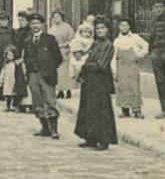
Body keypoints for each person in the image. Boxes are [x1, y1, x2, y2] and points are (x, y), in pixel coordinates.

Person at [74, 16, 118, 150]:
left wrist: (84, 66)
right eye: (97, 28)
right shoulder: (96, 43)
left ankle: (104, 140)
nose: (99, 31)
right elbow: (89, 59)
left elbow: (101, 65)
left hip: (101, 81)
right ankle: (90, 137)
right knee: (88, 109)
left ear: (108, 30)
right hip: (90, 80)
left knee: (101, 110)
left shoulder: (108, 45)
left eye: (102, 28)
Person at [22, 12, 63, 139]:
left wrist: (49, 69)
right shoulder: (27, 41)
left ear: (43, 25)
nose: (35, 26)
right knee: (37, 102)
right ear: (29, 25)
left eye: (37, 23)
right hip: (33, 75)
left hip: (47, 75)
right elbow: (26, 57)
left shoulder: (50, 39)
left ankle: (54, 130)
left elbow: (58, 58)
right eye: (33, 23)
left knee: (50, 101)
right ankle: (44, 128)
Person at [112, 17, 149, 118]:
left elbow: (146, 46)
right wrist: (114, 71)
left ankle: (137, 110)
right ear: (119, 27)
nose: (124, 27)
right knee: (122, 88)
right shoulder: (116, 41)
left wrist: (139, 55)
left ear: (129, 26)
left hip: (132, 66)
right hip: (121, 66)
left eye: (126, 25)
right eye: (122, 25)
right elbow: (113, 57)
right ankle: (125, 110)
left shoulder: (135, 37)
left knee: (134, 87)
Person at [49, 10, 75, 99]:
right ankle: (60, 91)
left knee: (66, 71)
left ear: (61, 17)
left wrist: (68, 44)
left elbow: (72, 37)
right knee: (58, 72)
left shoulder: (67, 27)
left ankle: (68, 90)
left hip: (66, 50)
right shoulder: (52, 29)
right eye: (54, 17)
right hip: (56, 51)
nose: (56, 19)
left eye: (58, 16)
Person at [0, 10, 16, 89]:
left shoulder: (11, 31)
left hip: (9, 54)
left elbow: (14, 42)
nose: (3, 22)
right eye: (1, 20)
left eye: (5, 20)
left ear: (8, 21)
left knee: (9, 72)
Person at [0, 46, 19, 112]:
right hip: (7, 81)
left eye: (11, 55)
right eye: (8, 55)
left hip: (13, 81)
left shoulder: (15, 64)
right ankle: (8, 107)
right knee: (8, 95)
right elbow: (3, 73)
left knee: (13, 94)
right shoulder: (6, 64)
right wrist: (1, 80)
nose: (10, 56)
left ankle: (15, 106)